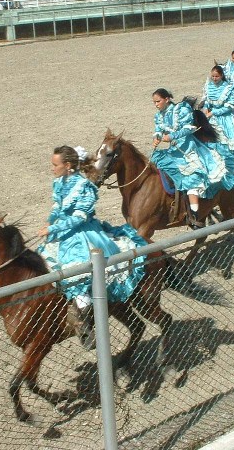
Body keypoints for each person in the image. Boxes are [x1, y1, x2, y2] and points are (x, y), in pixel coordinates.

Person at [36, 145, 149, 348]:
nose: (52, 169)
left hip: (83, 235)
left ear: (68, 165)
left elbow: (79, 217)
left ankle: (86, 322)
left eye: (55, 165)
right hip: (63, 233)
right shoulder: (60, 182)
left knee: (77, 272)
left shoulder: (83, 186)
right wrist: (49, 222)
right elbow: (57, 208)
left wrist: (54, 228)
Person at [151, 88, 234, 226]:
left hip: (189, 148)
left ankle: (195, 215)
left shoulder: (182, 109)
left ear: (167, 99)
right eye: (154, 102)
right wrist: (157, 137)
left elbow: (189, 128)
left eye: (158, 101)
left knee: (192, 179)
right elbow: (158, 131)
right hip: (174, 149)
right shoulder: (159, 115)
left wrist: (172, 136)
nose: (156, 105)